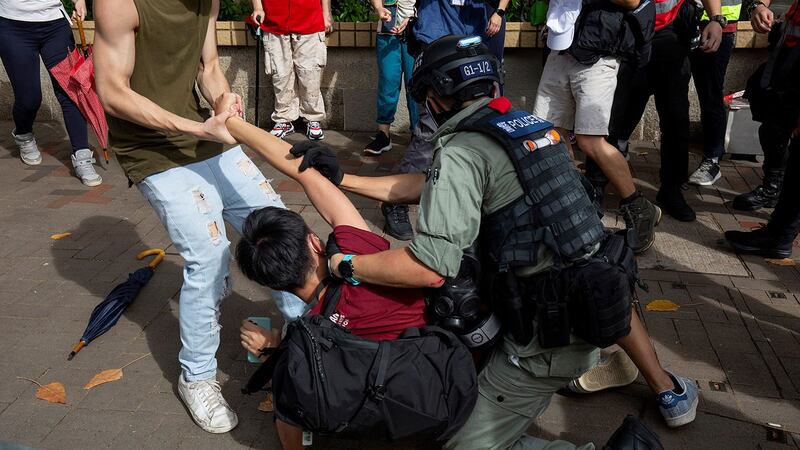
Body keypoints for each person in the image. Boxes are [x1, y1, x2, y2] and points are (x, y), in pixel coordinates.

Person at [298, 36, 698, 448]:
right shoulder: (522, 127)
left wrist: (343, 264)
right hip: (583, 300)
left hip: (544, 340)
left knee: (457, 444)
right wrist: (344, 179)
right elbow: (428, 185)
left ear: (435, 98)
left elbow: (428, 267)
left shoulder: (462, 152)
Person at [92, 0, 304, 433]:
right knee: (209, 256)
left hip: (202, 132)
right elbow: (111, 91)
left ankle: (308, 338)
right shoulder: (120, 3)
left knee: (281, 226)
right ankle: (197, 376)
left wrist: (222, 99)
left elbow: (208, 66)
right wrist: (196, 128)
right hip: (150, 149)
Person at [210, 96, 433, 448]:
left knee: (288, 400)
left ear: (270, 283)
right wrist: (233, 122)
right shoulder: (360, 252)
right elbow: (306, 176)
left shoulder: (308, 339)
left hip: (386, 411)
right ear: (315, 241)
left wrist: (272, 346)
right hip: (434, 378)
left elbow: (313, 366)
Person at [532, 0, 662, 253]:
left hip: (599, 55)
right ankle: (568, 206)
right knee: (550, 135)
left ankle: (638, 207)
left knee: (590, 141)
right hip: (562, 48)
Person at [381, 0, 494, 241]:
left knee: (475, 128)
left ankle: (461, 197)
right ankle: (395, 201)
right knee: (429, 132)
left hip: (471, 46)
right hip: (436, 44)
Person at [607, 0, 723, 222]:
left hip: (671, 33)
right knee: (615, 116)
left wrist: (716, 19)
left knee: (676, 118)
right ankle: (598, 183)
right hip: (627, 29)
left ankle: (672, 188)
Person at [725, 0, 800, 258]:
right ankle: (775, 205)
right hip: (788, 57)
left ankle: (780, 233)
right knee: (774, 127)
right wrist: (758, 5)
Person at [0, 0, 102, 186]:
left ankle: (82, 155)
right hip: (12, 26)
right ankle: (23, 134)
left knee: (70, 92)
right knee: (29, 98)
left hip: (55, 26)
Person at [250, 0, 332, 141]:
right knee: (280, 74)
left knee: (310, 73)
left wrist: (326, 13)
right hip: (273, 20)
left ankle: (313, 117)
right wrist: (257, 7)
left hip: (310, 19)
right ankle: (283, 118)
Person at [686, 0, 742, 186]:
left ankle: (712, 159)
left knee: (710, 95)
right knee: (650, 87)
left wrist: (760, 6)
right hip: (679, 22)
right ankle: (619, 144)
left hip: (718, 26)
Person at [363, 0, 418, 155]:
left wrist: (413, 19)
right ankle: (383, 135)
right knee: (388, 82)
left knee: (414, 83)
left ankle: (418, 133)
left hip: (416, 32)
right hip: (387, 32)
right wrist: (379, 8)